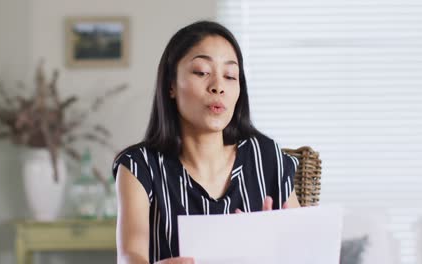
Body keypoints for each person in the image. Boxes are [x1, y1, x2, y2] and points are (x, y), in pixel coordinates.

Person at [113, 20, 300, 264]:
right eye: (201, 72)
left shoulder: (267, 158)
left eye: (230, 76)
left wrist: (278, 249)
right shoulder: (140, 166)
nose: (218, 87)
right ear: (171, 85)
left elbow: (304, 247)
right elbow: (130, 255)